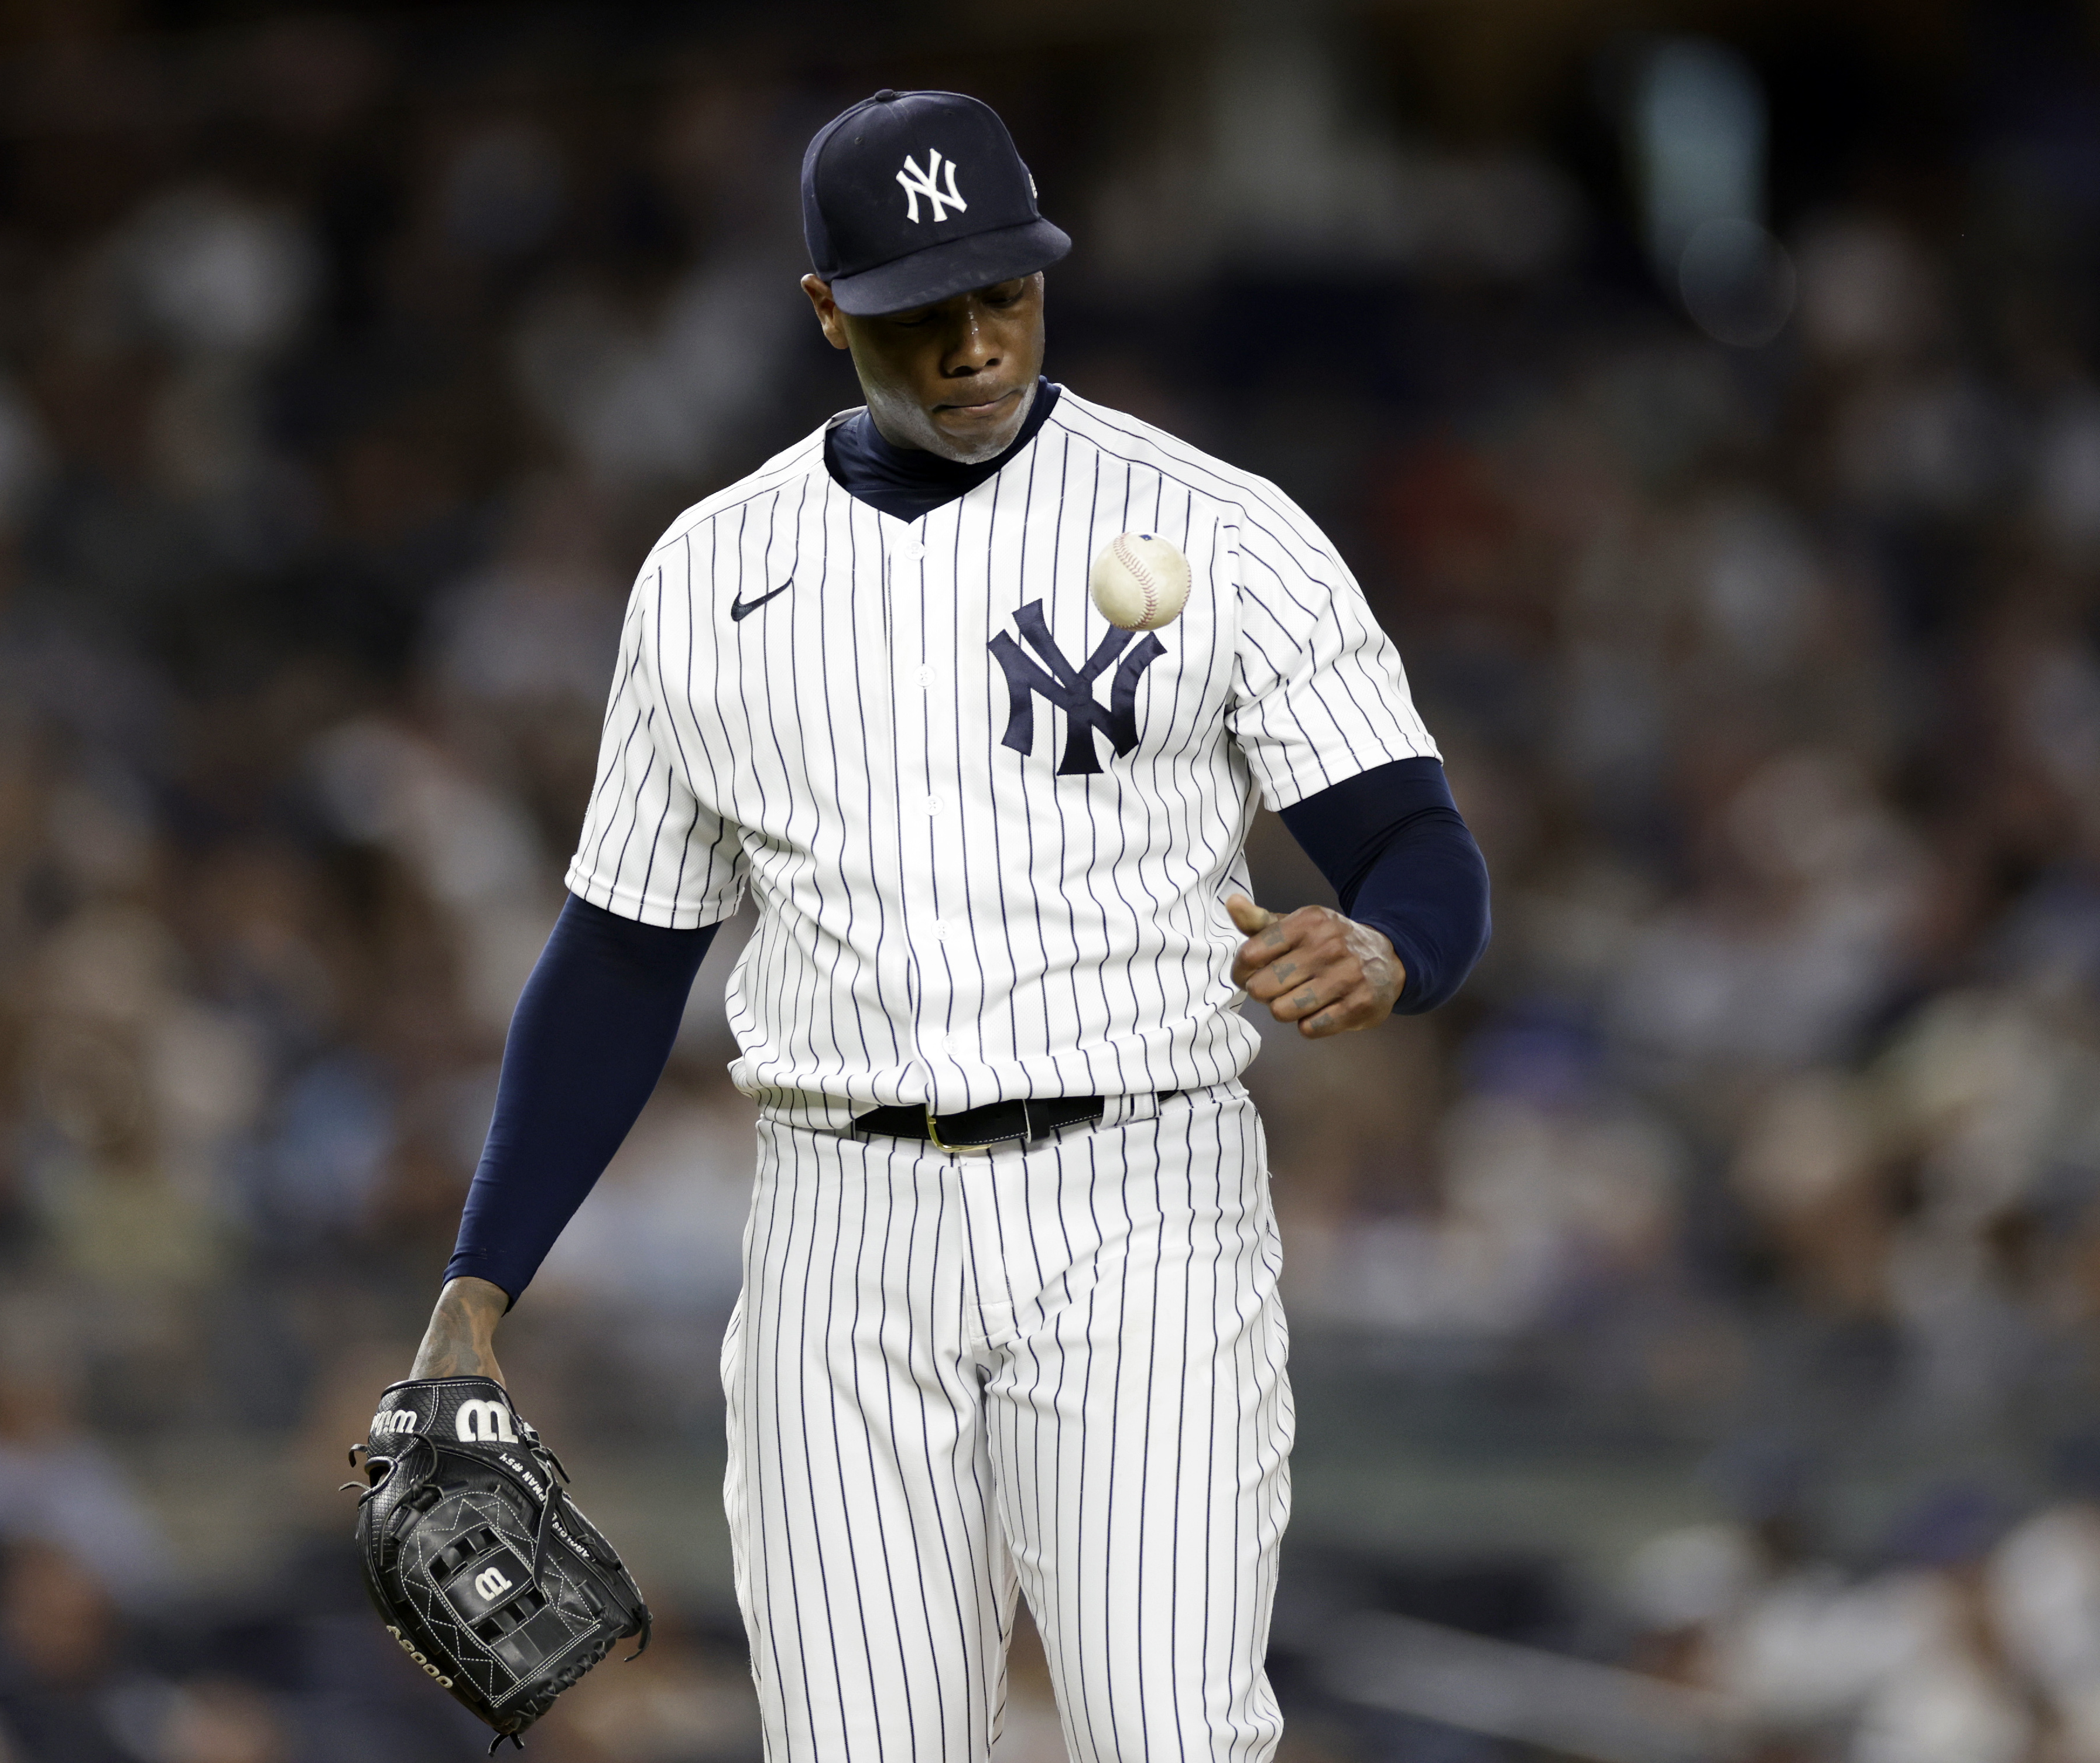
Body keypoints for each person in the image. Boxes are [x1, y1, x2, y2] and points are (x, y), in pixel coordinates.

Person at [401, 90, 1489, 1762]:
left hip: (1137, 1201)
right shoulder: (709, 575)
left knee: (1167, 1737)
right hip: (839, 1223)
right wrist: (478, 1285)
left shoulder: (1217, 523)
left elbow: (1416, 839)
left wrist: (1389, 947)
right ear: (829, 309)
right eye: (923, 310)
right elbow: (622, 954)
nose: (977, 343)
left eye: (1008, 292)